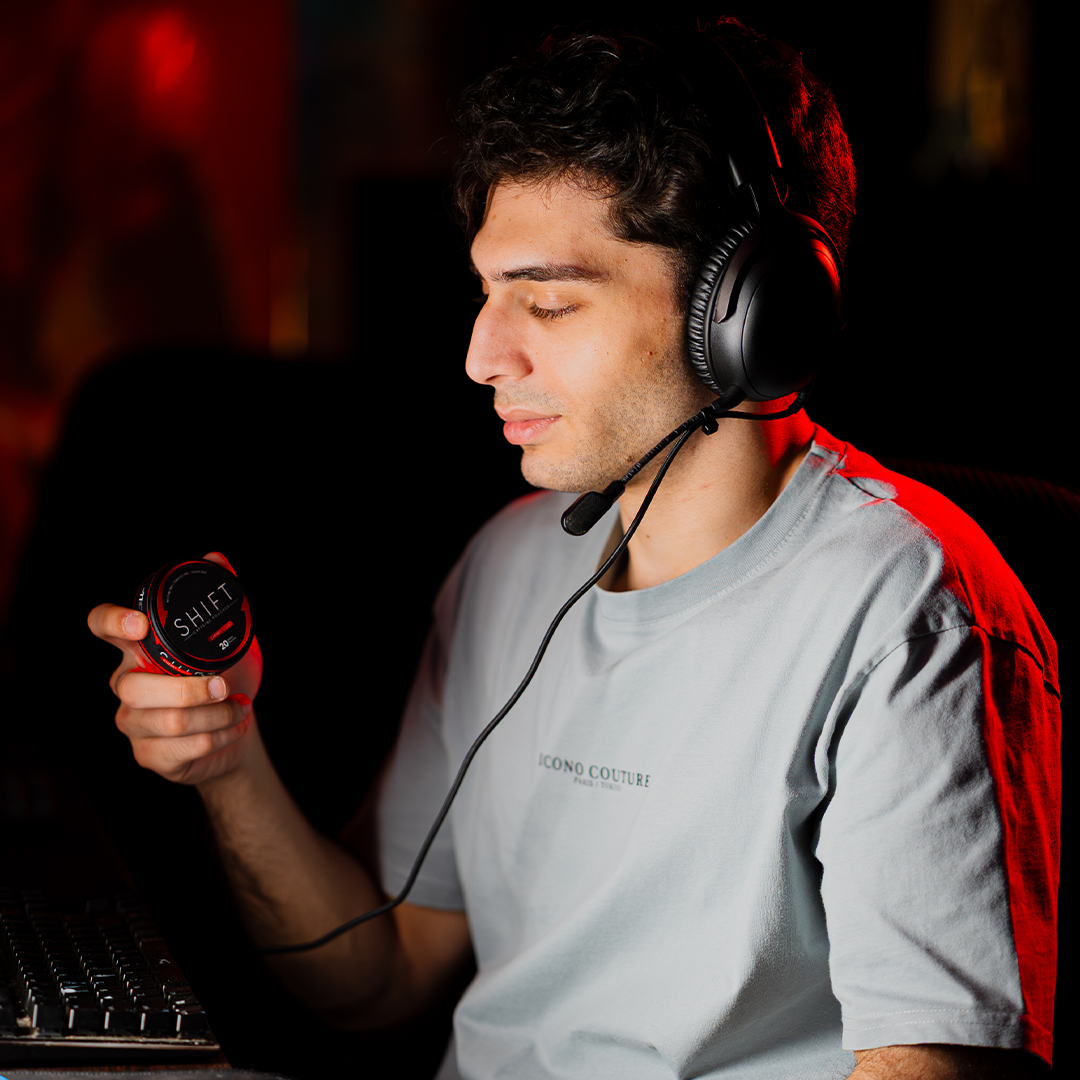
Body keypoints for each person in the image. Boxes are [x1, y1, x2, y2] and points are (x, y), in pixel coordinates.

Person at [88, 19, 1058, 1079]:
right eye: (486, 295)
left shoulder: (911, 610)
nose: (479, 356)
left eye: (547, 300)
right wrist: (228, 758)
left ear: (745, 310)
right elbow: (376, 978)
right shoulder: (507, 567)